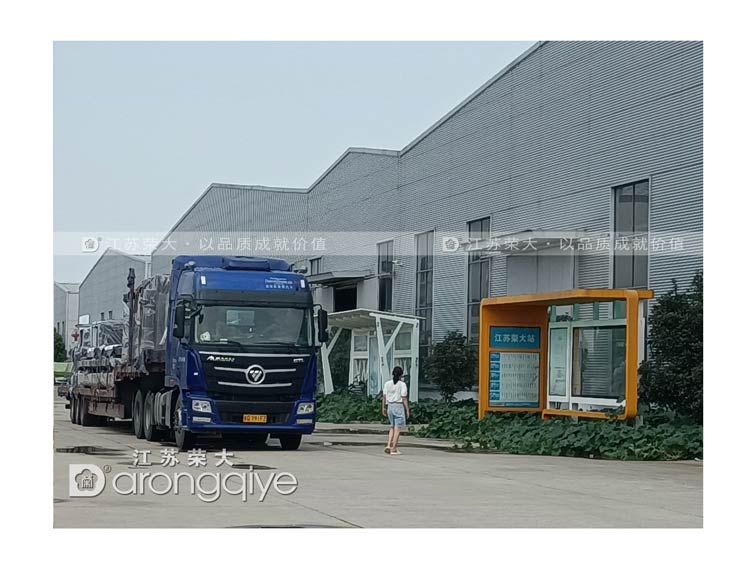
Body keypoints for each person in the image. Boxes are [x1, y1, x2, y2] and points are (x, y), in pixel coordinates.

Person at [382, 366, 409, 455]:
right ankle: (394, 448)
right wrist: (407, 410)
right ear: (401, 375)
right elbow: (404, 398)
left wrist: (383, 407)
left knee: (392, 427)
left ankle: (388, 445)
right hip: (398, 406)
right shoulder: (402, 385)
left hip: (390, 406)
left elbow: (384, 397)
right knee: (397, 429)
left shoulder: (387, 384)